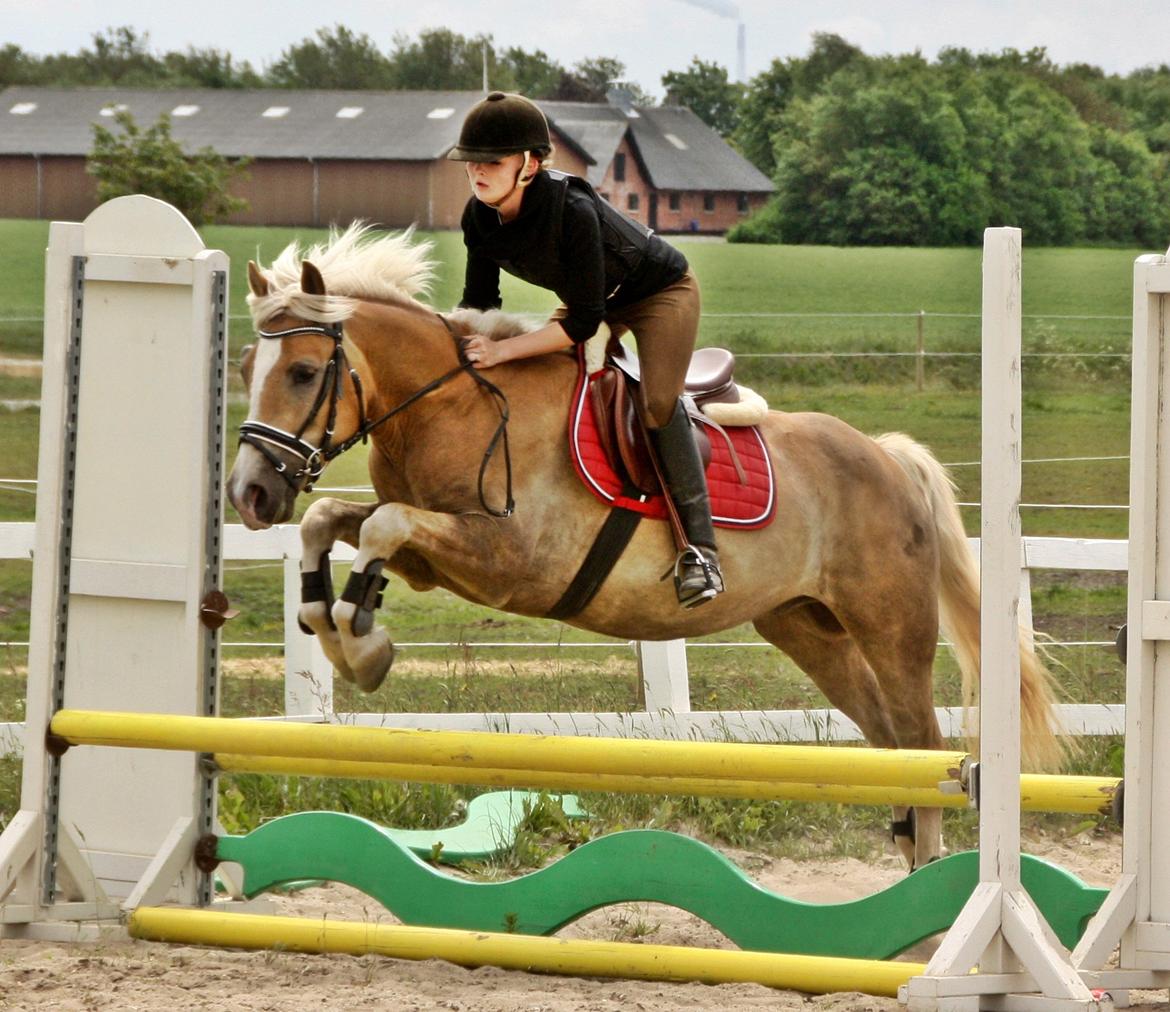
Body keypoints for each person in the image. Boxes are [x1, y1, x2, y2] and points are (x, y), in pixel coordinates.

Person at [447, 90, 723, 608]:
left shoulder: (570, 208)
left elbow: (580, 324)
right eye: (471, 163)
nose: (477, 173)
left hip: (659, 294)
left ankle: (700, 552)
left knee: (658, 405)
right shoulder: (478, 217)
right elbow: (479, 305)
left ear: (530, 164)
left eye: (492, 162)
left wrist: (503, 352)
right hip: (592, 302)